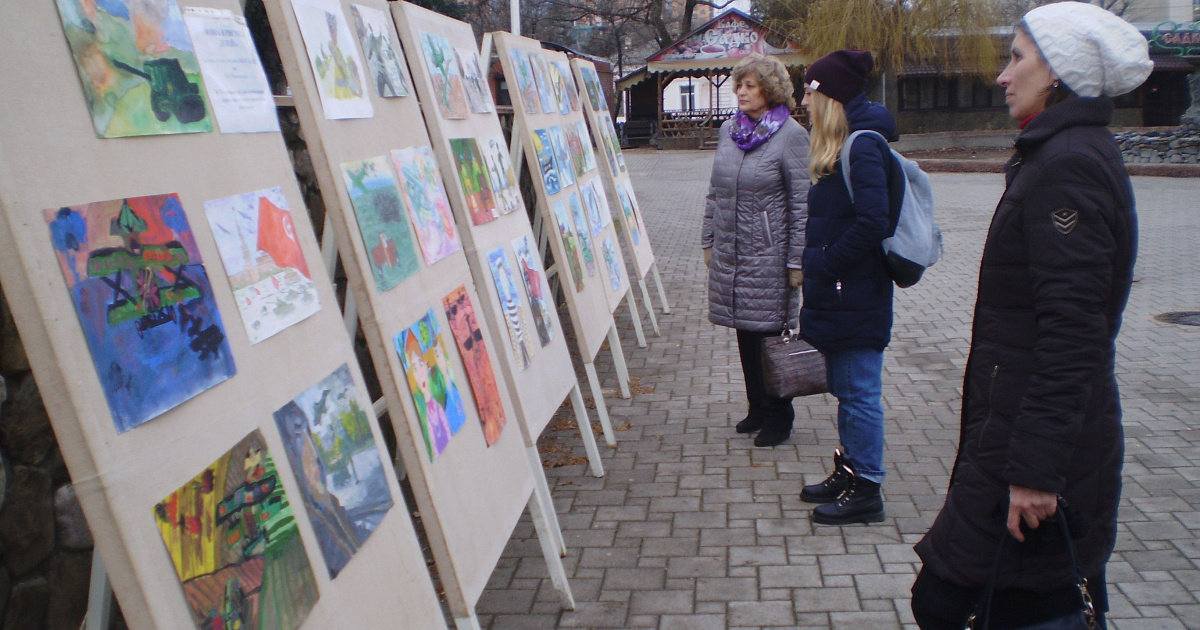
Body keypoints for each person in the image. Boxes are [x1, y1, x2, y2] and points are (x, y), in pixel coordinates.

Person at [911, 3, 1152, 628]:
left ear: (1059, 73)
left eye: (1016, 58)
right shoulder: (1059, 153)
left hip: (1034, 444)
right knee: (1028, 598)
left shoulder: (1067, 165)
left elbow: (1074, 333)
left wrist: (1037, 474)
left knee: (952, 601)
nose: (1002, 75)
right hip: (1021, 428)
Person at [797, 50, 898, 525]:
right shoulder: (840, 145)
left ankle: (867, 488)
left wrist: (826, 261)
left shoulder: (863, 145)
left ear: (830, 97)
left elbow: (874, 222)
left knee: (859, 392)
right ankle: (850, 470)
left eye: (809, 92)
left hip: (856, 293)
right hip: (840, 293)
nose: (803, 101)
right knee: (846, 389)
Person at [701, 53, 810, 448]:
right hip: (733, 251)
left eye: (750, 85)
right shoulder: (730, 131)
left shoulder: (791, 135)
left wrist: (796, 260)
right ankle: (757, 407)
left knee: (769, 336)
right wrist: (708, 238)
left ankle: (780, 415)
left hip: (769, 256)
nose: (742, 92)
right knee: (745, 332)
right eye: (739, 85)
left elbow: (802, 203)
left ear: (770, 89)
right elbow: (715, 190)